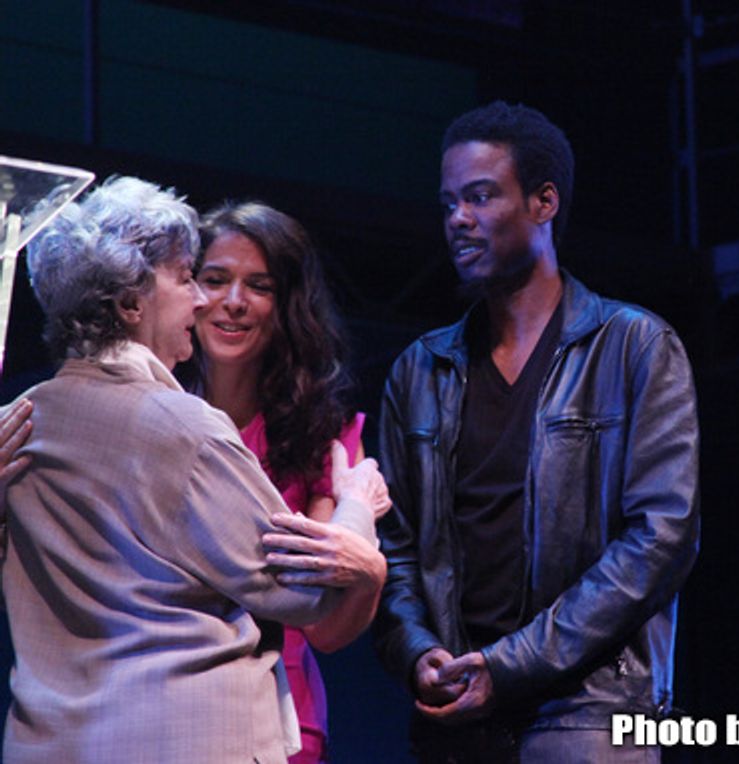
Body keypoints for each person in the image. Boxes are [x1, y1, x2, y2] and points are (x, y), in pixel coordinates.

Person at [2, 176, 385, 763]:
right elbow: (305, 592)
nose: (206, 301)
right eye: (189, 279)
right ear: (131, 304)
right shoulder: (187, 429)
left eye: (258, 286)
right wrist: (358, 506)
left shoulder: (19, 420)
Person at [374, 101, 700, 762]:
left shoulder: (633, 346)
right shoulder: (420, 370)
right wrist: (416, 654)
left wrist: (513, 665)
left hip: (588, 716)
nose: (458, 219)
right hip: (455, 720)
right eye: (449, 204)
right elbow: (392, 546)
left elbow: (662, 537)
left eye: (481, 197)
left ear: (544, 203)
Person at [186, 201, 387, 763]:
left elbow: (323, 626)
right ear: (187, 291)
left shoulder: (327, 435)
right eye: (215, 279)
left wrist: (369, 576)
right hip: (162, 707)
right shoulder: (151, 414)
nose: (232, 301)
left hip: (281, 720)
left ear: (287, 304)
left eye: (259, 285)